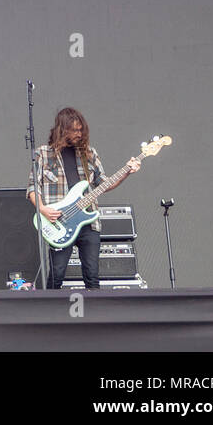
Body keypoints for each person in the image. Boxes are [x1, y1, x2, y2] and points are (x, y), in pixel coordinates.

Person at [27, 107, 140, 290]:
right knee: (57, 273)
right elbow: (33, 187)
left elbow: (105, 183)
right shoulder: (43, 154)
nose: (79, 134)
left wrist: (126, 172)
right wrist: (42, 209)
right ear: (62, 129)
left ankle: (94, 316)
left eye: (81, 130)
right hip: (59, 222)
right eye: (74, 130)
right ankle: (50, 313)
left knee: (92, 275)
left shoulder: (89, 153)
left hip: (88, 223)